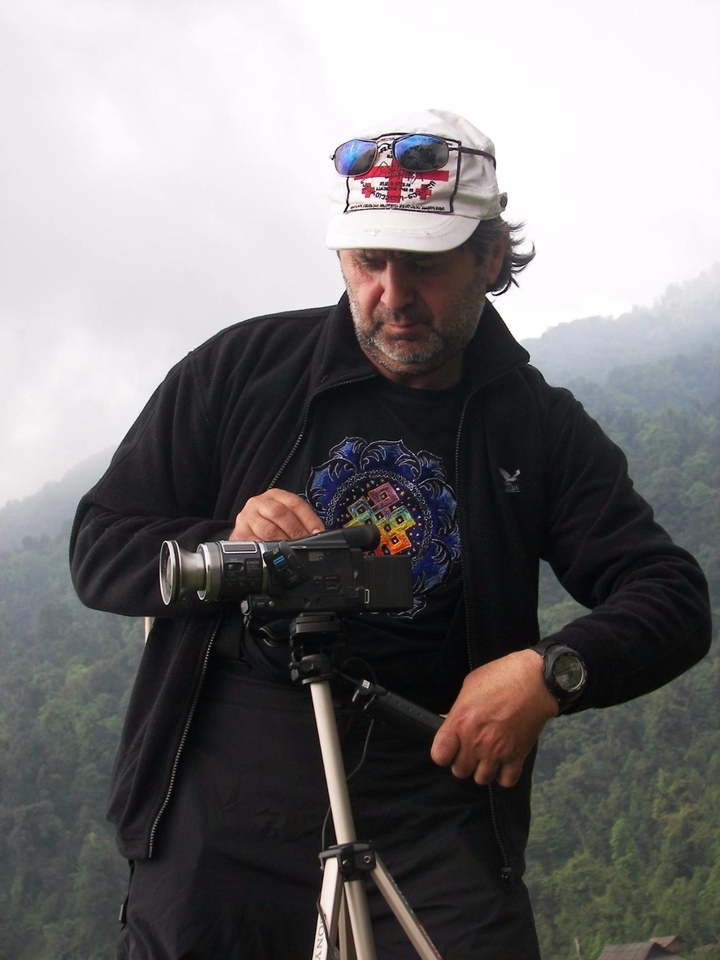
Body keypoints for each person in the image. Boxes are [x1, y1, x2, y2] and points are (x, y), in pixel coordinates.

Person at [70, 108, 712, 959]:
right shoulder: (241, 371)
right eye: (369, 262)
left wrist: (550, 673)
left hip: (433, 799)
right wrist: (229, 541)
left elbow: (672, 597)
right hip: (221, 802)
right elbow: (99, 543)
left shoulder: (539, 429)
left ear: (488, 257)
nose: (393, 295)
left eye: (425, 265)